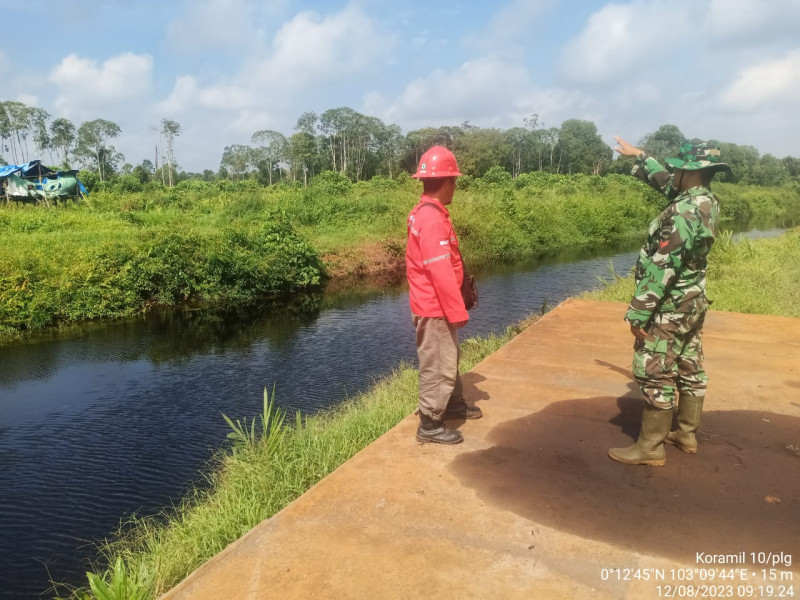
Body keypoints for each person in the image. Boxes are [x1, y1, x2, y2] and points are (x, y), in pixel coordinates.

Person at [609, 137, 732, 466]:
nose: (673, 172)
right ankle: (687, 434)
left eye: (677, 169)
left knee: (655, 372)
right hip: (692, 303)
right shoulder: (705, 201)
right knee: (690, 365)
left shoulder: (681, 213)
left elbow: (664, 266)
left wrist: (638, 312)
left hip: (668, 307)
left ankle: (650, 448)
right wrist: (641, 157)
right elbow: (668, 185)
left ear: (689, 173)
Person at [406, 145, 482, 444]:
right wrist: (457, 311)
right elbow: (439, 271)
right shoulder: (432, 219)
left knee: (446, 356)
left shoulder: (427, 212)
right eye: (455, 181)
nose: (456, 186)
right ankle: (430, 424)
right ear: (448, 182)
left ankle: (451, 403)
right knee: (438, 363)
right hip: (434, 305)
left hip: (433, 304)